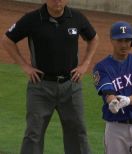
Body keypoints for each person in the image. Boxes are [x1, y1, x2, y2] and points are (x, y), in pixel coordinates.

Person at [1, 0, 99, 154]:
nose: (58, 1)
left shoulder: (77, 18)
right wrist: (25, 66)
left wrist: (85, 64)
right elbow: (7, 40)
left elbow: (93, 38)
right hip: (40, 87)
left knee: (77, 132)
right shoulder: (32, 19)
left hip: (71, 86)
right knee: (34, 133)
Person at [92, 21, 132, 154]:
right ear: (112, 40)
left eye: (127, 40)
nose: (124, 45)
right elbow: (107, 90)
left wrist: (129, 100)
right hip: (116, 129)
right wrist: (113, 102)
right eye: (119, 40)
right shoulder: (102, 67)